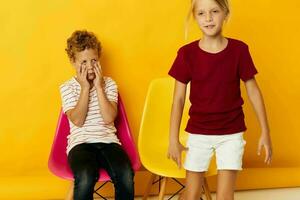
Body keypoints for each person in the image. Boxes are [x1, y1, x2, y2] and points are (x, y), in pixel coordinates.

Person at [167, 0, 272, 199]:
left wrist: (265, 132)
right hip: (198, 133)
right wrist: (173, 139)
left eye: (214, 11)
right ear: (194, 16)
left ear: (225, 13)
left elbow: (254, 92)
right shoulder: (186, 53)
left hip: (231, 133)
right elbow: (178, 100)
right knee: (191, 194)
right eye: (201, 13)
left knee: (225, 196)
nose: (208, 18)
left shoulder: (239, 50)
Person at [59, 30, 134, 200]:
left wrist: (99, 87)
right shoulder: (67, 87)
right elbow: (77, 120)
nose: (90, 66)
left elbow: (108, 118)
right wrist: (86, 88)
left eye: (94, 60)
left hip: (108, 142)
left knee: (125, 173)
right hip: (81, 144)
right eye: (83, 62)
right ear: (73, 62)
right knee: (85, 176)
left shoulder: (109, 84)